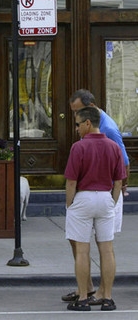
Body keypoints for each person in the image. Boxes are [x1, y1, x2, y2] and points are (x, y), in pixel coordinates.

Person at [63, 89, 130, 305]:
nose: (76, 128)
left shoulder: (79, 146)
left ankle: (83, 297)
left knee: (82, 249)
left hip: (84, 197)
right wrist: (113, 199)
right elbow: (119, 179)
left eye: (78, 123)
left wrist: (69, 204)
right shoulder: (112, 146)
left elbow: (71, 181)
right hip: (106, 197)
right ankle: (107, 297)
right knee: (107, 248)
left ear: (88, 123)